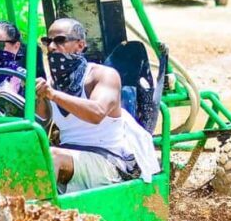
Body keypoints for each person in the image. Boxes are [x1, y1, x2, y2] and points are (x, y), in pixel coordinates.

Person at [35, 18, 160, 193]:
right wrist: (36, 98)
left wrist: (53, 95)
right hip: (71, 158)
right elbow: (39, 123)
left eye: (60, 40)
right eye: (47, 41)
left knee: (51, 157)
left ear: (80, 45)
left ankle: (36, 210)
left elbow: (97, 113)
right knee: (28, 156)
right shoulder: (50, 83)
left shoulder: (103, 75)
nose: (52, 47)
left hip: (109, 160)